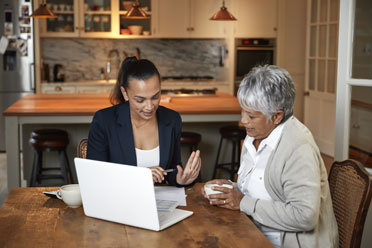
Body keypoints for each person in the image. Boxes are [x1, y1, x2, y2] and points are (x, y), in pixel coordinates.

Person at [201, 65, 338, 247]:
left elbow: (304, 216)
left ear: (276, 116)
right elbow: (258, 190)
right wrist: (226, 190)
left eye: (251, 115)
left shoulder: (298, 147)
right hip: (250, 232)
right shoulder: (255, 136)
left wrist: (242, 203)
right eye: (242, 111)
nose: (243, 120)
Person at [87, 57, 201, 186]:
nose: (149, 107)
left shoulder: (171, 119)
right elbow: (95, 176)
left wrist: (180, 179)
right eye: (140, 100)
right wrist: (140, 176)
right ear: (125, 93)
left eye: (155, 97)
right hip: (118, 201)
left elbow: (172, 169)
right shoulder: (104, 120)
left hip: (160, 202)